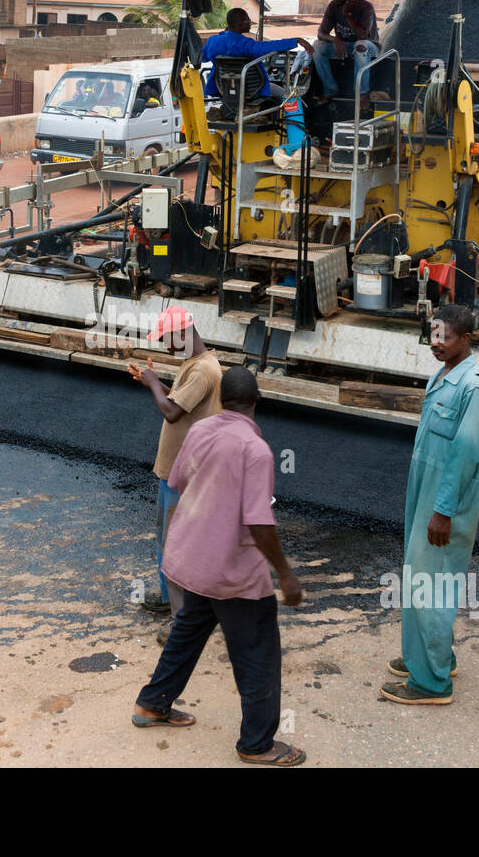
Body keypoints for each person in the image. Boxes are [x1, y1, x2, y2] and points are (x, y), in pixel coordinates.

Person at [131, 366, 306, 766]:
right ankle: (257, 744)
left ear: (222, 400)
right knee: (258, 652)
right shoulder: (255, 450)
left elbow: (177, 481)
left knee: (188, 631)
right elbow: (260, 523)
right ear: (258, 399)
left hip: (191, 559)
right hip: (232, 573)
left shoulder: (199, 432)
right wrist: (285, 573)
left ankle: (152, 704)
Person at [382, 304, 479, 706]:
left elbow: (465, 456)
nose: (437, 342)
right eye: (434, 334)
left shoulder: (471, 388)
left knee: (432, 582)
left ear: (465, 340)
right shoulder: (442, 376)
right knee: (417, 574)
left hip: (444, 500)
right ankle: (426, 657)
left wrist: (443, 511)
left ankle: (431, 684)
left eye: (446, 337)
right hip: (423, 490)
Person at [126, 306, 222, 619]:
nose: (166, 346)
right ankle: (169, 598)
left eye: (168, 340)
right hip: (172, 472)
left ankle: (184, 621)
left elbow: (171, 412)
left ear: (183, 334)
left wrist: (155, 382)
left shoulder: (203, 370)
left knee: (179, 546)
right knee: (166, 538)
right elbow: (178, 401)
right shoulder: (192, 364)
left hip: (186, 475)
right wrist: (151, 384)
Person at [201, 7, 313, 100]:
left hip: (223, 89)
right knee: (289, 97)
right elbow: (269, 46)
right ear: (240, 24)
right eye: (247, 20)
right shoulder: (245, 44)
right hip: (252, 89)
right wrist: (297, 40)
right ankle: (292, 125)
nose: (250, 23)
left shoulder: (212, 41)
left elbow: (202, 58)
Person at [312, 0, 380, 105]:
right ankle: (330, 89)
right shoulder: (333, 6)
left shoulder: (365, 7)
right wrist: (335, 39)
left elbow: (363, 35)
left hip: (368, 46)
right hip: (345, 46)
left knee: (361, 45)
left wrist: (348, 15)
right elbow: (321, 33)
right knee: (316, 47)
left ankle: (361, 93)